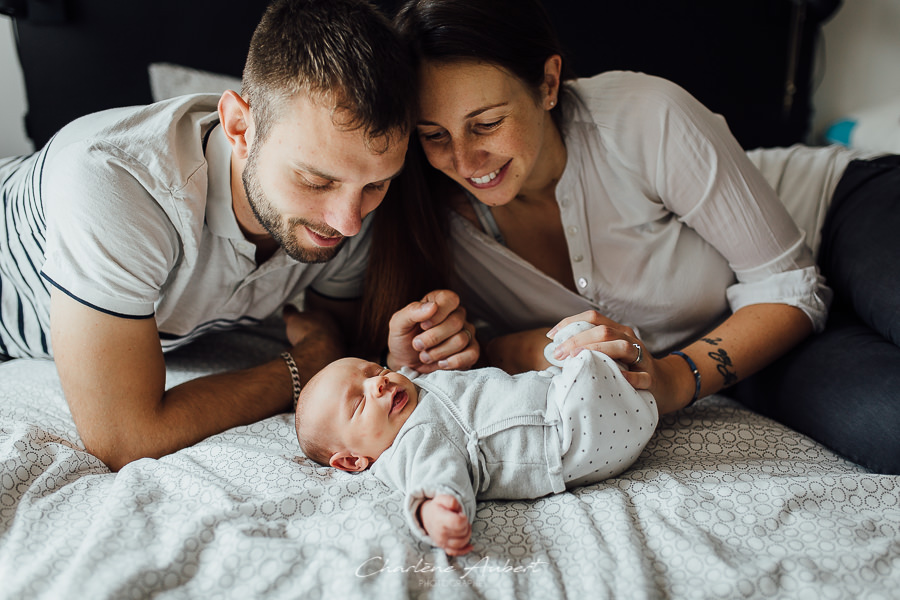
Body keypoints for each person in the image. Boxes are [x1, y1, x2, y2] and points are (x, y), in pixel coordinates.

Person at [391, 0, 900, 474]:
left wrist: (675, 379)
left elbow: (788, 282)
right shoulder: (432, 224)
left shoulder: (641, 116)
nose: (463, 161)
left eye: (486, 123)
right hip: (755, 330)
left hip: (839, 213)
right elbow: (479, 358)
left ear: (548, 83)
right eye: (434, 135)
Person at [0, 0, 478, 472]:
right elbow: (124, 438)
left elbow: (337, 343)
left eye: (376, 184)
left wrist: (399, 359)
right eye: (315, 181)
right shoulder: (116, 185)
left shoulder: (352, 206)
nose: (348, 222)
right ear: (240, 128)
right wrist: (299, 366)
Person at [294, 322, 658, 555]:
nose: (379, 383)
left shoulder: (411, 388)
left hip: (559, 395)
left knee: (578, 333)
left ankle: (613, 373)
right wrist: (435, 509)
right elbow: (434, 475)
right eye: (359, 403)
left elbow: (405, 367)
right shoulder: (414, 441)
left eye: (374, 371)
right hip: (564, 437)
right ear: (353, 460)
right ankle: (615, 380)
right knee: (584, 360)